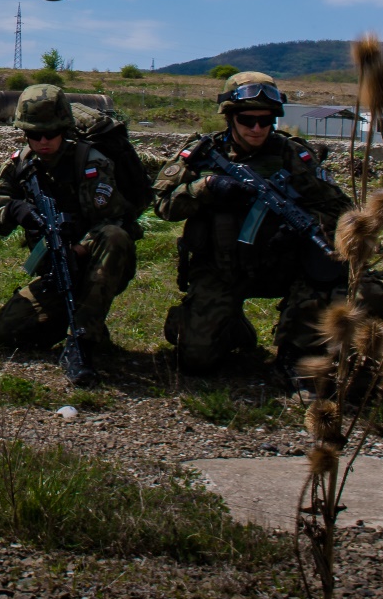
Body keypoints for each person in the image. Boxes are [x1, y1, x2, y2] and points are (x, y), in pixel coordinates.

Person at [153, 71, 364, 374]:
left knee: (325, 272)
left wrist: (301, 226)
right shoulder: (203, 153)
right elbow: (162, 205)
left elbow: (342, 208)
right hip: (219, 267)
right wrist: (205, 188)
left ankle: (296, 347)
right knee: (196, 360)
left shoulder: (292, 155)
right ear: (230, 117)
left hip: (281, 264)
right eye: (247, 120)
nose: (257, 128)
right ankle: (228, 324)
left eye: (265, 121)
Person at [0, 84, 139, 360]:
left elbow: (115, 222)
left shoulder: (90, 163)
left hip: (100, 264)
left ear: (65, 129)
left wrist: (80, 248)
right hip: (54, 268)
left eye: (51, 133)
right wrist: (14, 210)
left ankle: (84, 338)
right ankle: (80, 319)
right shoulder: (17, 166)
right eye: (35, 134)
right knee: (10, 330)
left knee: (114, 236)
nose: (43, 141)